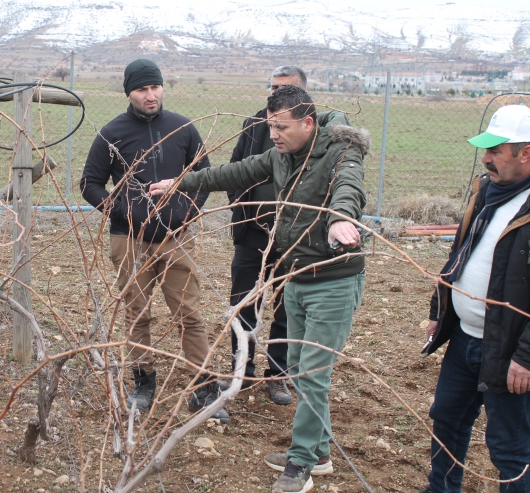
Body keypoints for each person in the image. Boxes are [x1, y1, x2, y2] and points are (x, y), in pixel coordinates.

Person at [150, 85, 369, 493]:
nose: (273, 134)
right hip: (298, 276)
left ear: (307, 123)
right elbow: (232, 173)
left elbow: (349, 186)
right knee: (304, 369)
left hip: (333, 281)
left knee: (314, 373)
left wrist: (341, 218)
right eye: (270, 125)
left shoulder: (341, 151)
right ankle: (318, 453)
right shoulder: (280, 156)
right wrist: (181, 182)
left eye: (281, 127)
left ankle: (300, 464)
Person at [80, 59, 229, 422]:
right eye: (142, 89)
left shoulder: (182, 128)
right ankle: (143, 380)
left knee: (189, 312)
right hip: (129, 239)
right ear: (129, 92)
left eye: (155, 87)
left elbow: (204, 175)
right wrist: (122, 211)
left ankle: (202, 385)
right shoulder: (111, 133)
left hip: (176, 237)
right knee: (136, 313)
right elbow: (90, 184)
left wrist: (187, 212)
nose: (150, 95)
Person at [223, 66, 349, 407]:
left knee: (285, 308)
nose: (275, 95)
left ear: (303, 97)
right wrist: (240, 206)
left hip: (293, 236)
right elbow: (236, 168)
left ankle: (277, 375)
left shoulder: (321, 134)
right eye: (273, 88)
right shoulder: (255, 124)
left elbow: (344, 178)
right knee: (244, 300)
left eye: (285, 89)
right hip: (253, 231)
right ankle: (241, 368)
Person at [420, 104, 530, 493]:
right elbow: (460, 253)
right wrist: (441, 310)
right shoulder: (487, 192)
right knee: (447, 419)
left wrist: (526, 356)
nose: (486, 158)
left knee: (510, 448)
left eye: (496, 151)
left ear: (525, 152)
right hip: (466, 337)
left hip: (509, 351)